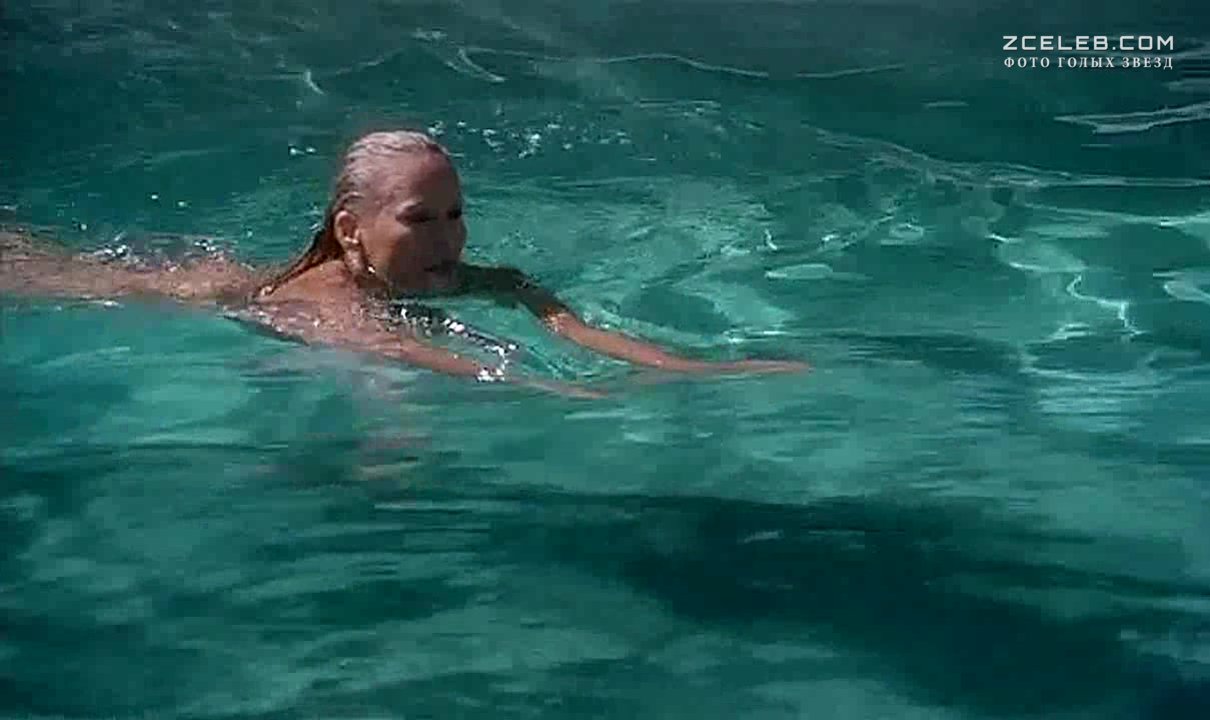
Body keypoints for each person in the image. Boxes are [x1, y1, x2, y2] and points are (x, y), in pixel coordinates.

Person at [1, 130, 808, 392]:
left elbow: (571, 325)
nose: (448, 240)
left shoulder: (464, 277)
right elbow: (403, 351)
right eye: (420, 220)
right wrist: (556, 395)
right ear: (351, 231)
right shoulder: (326, 302)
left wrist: (699, 369)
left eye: (455, 216)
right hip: (171, 292)